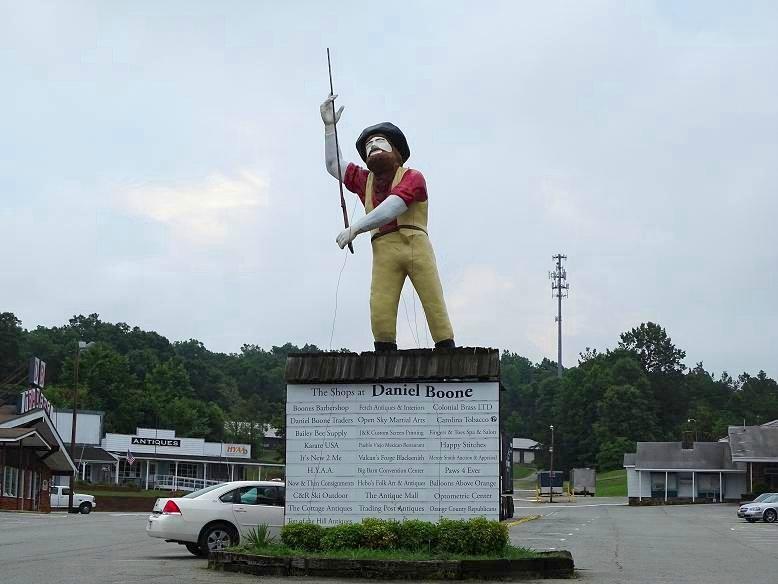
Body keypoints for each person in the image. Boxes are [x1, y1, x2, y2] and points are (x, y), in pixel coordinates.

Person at [320, 94, 455, 351]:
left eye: (379, 141)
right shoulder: (364, 180)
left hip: (414, 244)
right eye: (368, 145)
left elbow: (395, 205)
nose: (372, 146)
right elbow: (333, 164)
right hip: (383, 250)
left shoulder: (413, 176)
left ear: (397, 151)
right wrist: (329, 128)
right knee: (380, 304)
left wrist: (355, 229)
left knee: (432, 300)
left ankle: (447, 349)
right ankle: (384, 352)